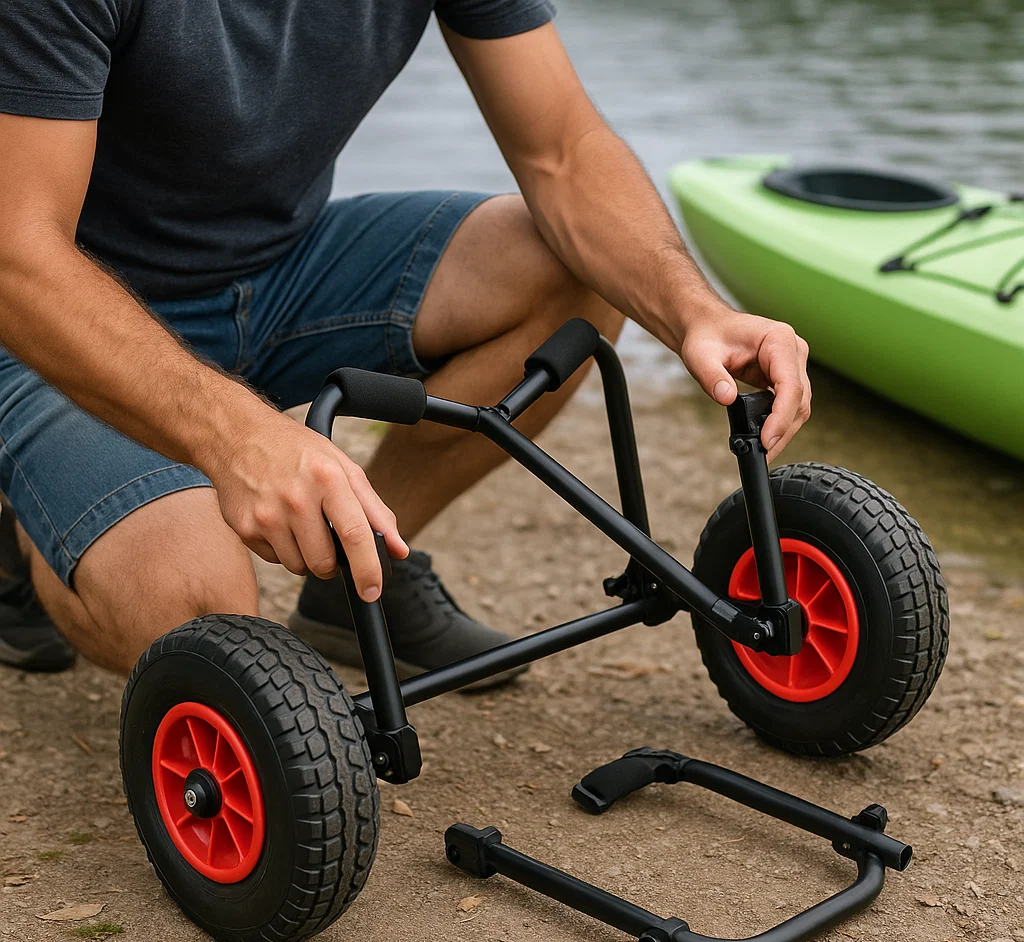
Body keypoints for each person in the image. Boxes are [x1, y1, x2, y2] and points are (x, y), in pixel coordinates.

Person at [0, 0, 810, 681]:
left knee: (580, 272)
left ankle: (362, 580)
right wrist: (237, 433)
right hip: (60, 315)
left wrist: (696, 308)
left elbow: (563, 152)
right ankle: (29, 524)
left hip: (279, 271)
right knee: (206, 616)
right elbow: (19, 254)